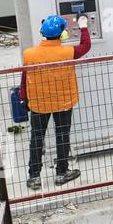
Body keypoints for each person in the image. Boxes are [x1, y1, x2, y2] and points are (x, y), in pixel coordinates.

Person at [20, 14, 91, 190]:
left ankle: (34, 177)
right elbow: (85, 46)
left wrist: (24, 98)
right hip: (63, 103)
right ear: (61, 34)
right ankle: (61, 173)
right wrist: (82, 26)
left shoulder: (29, 54)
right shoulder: (68, 52)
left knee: (37, 138)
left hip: (38, 104)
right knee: (62, 135)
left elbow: (24, 77)